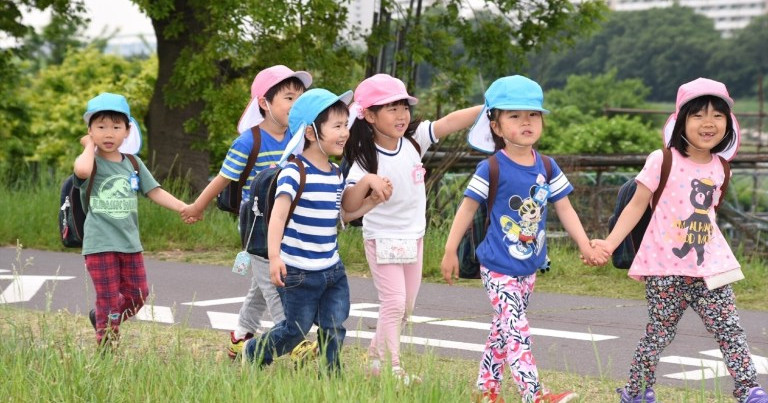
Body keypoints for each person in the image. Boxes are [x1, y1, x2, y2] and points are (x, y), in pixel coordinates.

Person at [591, 78, 767, 403]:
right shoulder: (662, 159)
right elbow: (636, 204)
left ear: (728, 123)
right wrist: (609, 244)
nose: (708, 123)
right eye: (698, 115)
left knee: (730, 329)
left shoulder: (721, 168)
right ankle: (636, 391)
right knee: (659, 333)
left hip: (712, 267)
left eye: (718, 115)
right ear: (681, 120)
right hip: (665, 268)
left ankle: (749, 390)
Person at [440, 76, 607, 403]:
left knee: (502, 332)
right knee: (516, 330)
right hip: (497, 267)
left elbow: (565, 207)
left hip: (528, 267)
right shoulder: (490, 167)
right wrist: (449, 250)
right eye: (514, 116)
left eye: (533, 115)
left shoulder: (547, 165)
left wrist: (585, 244)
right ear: (497, 127)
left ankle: (485, 391)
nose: (526, 122)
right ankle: (534, 395)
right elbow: (466, 209)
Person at [341, 73, 483, 382]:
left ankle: (375, 364)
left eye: (403, 107)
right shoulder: (365, 158)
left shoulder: (412, 141)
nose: (401, 115)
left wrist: (490, 107)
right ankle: (394, 369)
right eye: (390, 108)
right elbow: (348, 208)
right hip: (383, 239)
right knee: (393, 302)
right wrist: (368, 181)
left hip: (414, 238)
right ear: (368, 115)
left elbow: (449, 123)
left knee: (405, 307)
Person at [180, 65, 312, 359]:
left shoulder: (298, 139)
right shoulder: (248, 141)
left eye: (299, 98)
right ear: (264, 103)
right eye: (289, 98)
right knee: (276, 283)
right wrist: (197, 206)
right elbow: (223, 178)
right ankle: (295, 338)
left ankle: (240, 335)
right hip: (257, 225)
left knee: (260, 285)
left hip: (286, 221)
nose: (296, 104)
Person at [243, 88, 377, 373]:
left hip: (332, 268)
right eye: (337, 126)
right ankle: (254, 351)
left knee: (334, 325)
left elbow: (341, 214)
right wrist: (275, 256)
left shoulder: (335, 172)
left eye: (346, 126)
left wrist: (370, 202)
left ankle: (331, 375)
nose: (345, 133)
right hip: (299, 270)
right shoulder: (294, 171)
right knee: (294, 331)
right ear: (310, 132)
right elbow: (277, 217)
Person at [74, 92, 191, 347]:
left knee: (138, 295)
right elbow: (81, 171)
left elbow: (154, 191)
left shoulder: (133, 163)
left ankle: (104, 320)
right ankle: (107, 348)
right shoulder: (91, 161)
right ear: (90, 130)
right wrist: (87, 146)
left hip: (129, 242)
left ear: (127, 131)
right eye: (101, 127)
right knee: (107, 298)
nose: (108, 133)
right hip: (100, 243)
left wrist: (184, 207)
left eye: (116, 127)